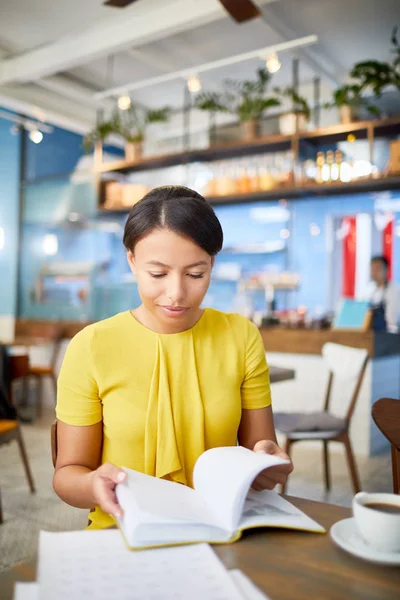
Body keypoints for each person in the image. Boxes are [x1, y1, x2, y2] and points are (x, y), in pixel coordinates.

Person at [53, 185, 293, 529]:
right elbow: (67, 475)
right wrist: (92, 484)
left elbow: (259, 451)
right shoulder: (91, 346)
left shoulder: (241, 336)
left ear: (212, 263)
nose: (176, 294)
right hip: (122, 532)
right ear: (132, 260)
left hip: (219, 528)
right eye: (158, 274)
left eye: (196, 274)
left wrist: (265, 464)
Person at [368, 255, 399, 332]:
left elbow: (393, 319)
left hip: (388, 334)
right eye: (372, 269)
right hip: (371, 332)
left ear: (386, 270)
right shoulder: (368, 290)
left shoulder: (395, 290)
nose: (374, 272)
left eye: (378, 269)